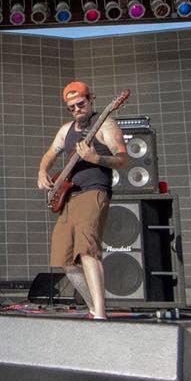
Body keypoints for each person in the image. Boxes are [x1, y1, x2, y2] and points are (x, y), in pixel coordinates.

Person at [36, 81, 128, 320]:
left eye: (80, 104)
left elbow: (122, 160)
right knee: (64, 259)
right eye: (71, 107)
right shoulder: (66, 130)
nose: (77, 109)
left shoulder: (106, 124)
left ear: (91, 99)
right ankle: (93, 307)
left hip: (93, 191)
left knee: (87, 251)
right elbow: (49, 154)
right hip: (69, 196)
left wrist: (95, 158)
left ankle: (101, 314)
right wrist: (42, 172)